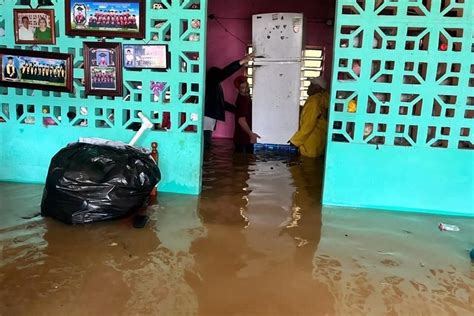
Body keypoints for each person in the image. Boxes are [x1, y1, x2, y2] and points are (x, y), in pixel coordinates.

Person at [204, 52, 255, 150]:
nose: (246, 89)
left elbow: (222, 103)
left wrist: (238, 110)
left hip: (208, 118)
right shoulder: (212, 82)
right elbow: (225, 73)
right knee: (206, 144)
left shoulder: (214, 87)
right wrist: (240, 62)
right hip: (207, 119)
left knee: (207, 144)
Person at [289, 77, 330, 158]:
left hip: (310, 145)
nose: (308, 87)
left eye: (311, 85)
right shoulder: (323, 99)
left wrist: (294, 142)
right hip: (319, 142)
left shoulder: (313, 102)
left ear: (317, 87)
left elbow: (308, 125)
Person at [233, 76, 260, 153]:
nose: (246, 90)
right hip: (242, 139)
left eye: (247, 86)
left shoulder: (246, 97)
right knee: (243, 162)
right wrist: (251, 135)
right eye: (242, 88)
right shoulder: (242, 100)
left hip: (243, 138)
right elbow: (241, 120)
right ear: (237, 90)